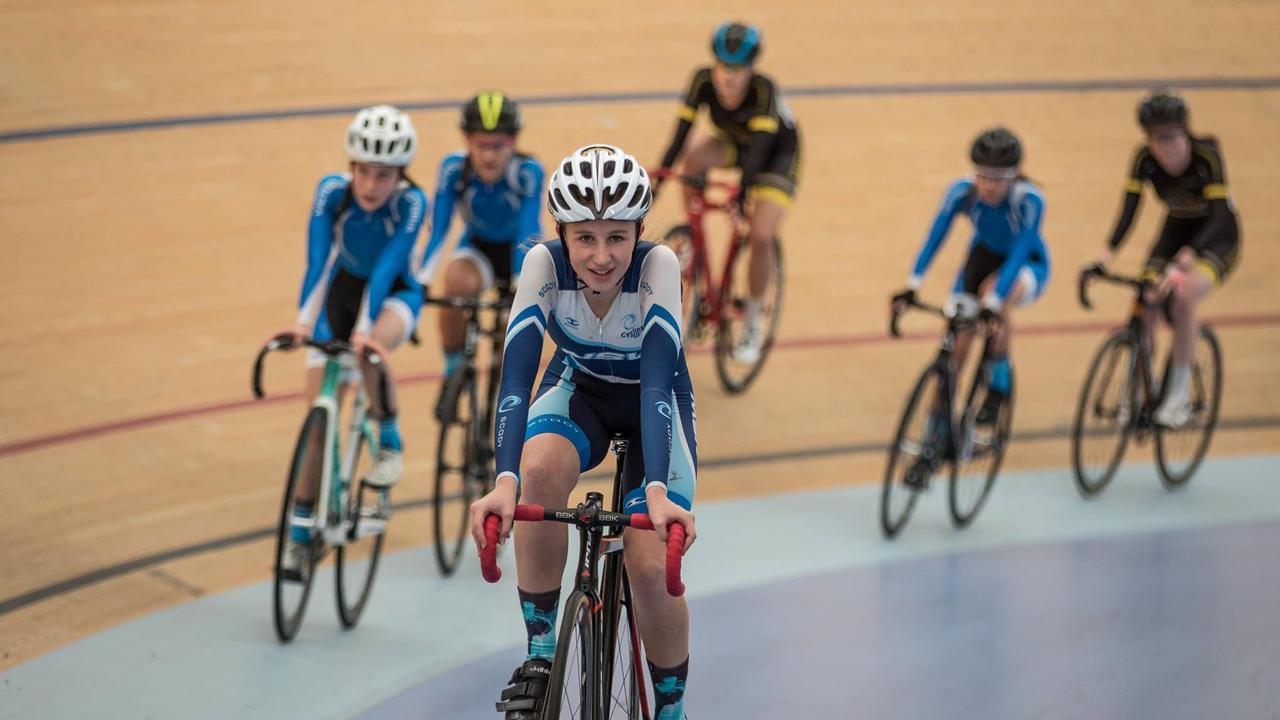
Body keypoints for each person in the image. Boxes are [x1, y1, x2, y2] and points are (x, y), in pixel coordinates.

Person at [469, 144, 698, 719]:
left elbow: (654, 384)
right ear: (562, 234)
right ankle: (541, 653)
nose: (601, 256)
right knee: (538, 471)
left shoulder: (659, 267)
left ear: (639, 233)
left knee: (648, 566)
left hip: (656, 406)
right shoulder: (543, 266)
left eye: (618, 237)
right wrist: (504, 481)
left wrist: (656, 498)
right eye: (586, 238)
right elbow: (517, 375)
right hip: (582, 390)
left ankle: (670, 710)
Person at [272, 105, 426, 578]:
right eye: (363, 172)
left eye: (383, 175)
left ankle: (388, 442)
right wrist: (302, 323)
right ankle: (300, 536)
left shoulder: (412, 203)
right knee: (317, 421)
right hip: (339, 295)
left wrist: (363, 333)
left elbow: (384, 271)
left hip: (395, 294)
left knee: (373, 349)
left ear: (399, 174)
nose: (370, 185)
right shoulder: (331, 193)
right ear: (351, 166)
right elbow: (318, 260)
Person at [1090, 89, 1241, 427]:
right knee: (1147, 298)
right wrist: (1104, 257)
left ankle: (1179, 396)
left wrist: (1189, 256)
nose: (1167, 146)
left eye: (1173, 136)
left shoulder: (1207, 156)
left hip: (1216, 237)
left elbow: (1219, 216)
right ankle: (1141, 389)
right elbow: (1129, 210)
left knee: (1185, 296)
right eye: (1158, 140)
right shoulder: (1143, 159)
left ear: (1186, 131)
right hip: (1174, 231)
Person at [655, 21, 800, 363]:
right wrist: (659, 181)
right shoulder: (701, 80)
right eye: (722, 67)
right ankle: (693, 236)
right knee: (692, 160)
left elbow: (761, 150)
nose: (727, 77)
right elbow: (680, 135)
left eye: (736, 70)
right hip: (736, 143)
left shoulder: (763, 90)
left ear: (751, 68)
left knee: (761, 233)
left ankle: (752, 317)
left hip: (776, 156)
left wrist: (742, 194)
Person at [891, 127, 1051, 428]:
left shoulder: (1030, 201)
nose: (989, 186)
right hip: (982, 258)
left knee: (996, 296)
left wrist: (991, 300)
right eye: (983, 176)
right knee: (956, 346)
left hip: (1027, 263)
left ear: (1014, 175)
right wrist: (913, 284)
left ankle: (998, 386)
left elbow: (1019, 251)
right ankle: (934, 433)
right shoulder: (960, 192)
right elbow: (935, 237)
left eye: (998, 178)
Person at [416, 92, 544, 396]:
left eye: (497, 146)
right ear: (465, 139)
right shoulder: (453, 169)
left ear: (513, 143)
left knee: (513, 330)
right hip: (478, 249)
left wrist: (519, 284)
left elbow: (527, 231)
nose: (488, 156)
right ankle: (452, 367)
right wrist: (420, 279)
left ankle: (505, 393)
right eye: (480, 145)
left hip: (520, 254)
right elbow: (440, 229)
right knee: (454, 283)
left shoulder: (528, 172)